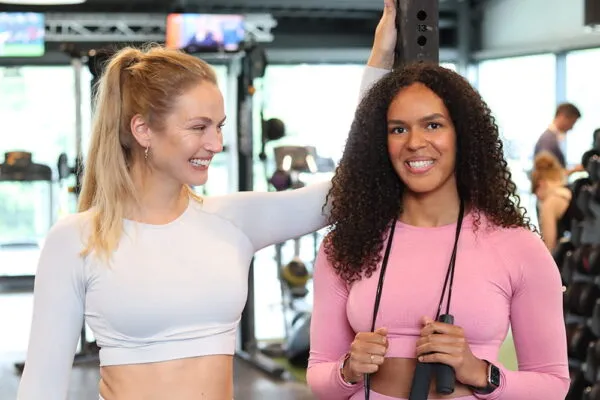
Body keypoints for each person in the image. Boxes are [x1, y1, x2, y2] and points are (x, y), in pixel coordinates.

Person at [16, 5, 395, 399]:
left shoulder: (232, 222)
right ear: (143, 129)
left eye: (219, 127)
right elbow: (40, 388)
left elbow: (346, 190)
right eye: (199, 127)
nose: (215, 144)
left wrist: (380, 60)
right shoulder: (77, 239)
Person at [306, 5, 569, 399]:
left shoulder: (518, 247)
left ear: (463, 135)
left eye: (433, 125)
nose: (415, 142)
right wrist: (347, 370)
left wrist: (480, 372)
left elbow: (553, 385)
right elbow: (319, 377)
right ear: (381, 143)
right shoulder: (346, 245)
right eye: (398, 129)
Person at [531, 151, 581, 251]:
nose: (538, 198)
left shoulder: (549, 203)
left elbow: (549, 246)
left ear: (541, 184)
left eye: (536, 193)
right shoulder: (569, 190)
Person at [533, 102, 582, 175]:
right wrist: (574, 170)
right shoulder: (548, 140)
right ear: (562, 117)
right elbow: (547, 174)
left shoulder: (552, 137)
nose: (571, 128)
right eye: (572, 122)